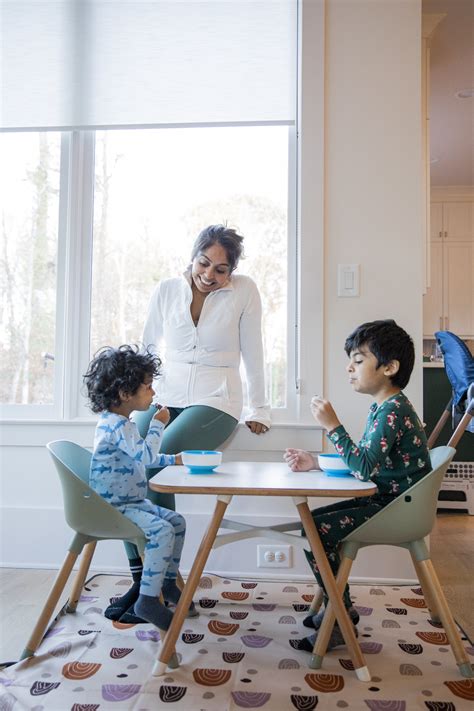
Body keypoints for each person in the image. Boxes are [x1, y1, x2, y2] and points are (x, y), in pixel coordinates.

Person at [106, 224, 271, 623]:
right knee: (123, 464)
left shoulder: (245, 291)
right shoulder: (167, 290)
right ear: (193, 256)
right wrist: (128, 400)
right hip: (165, 395)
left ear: (232, 271)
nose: (209, 275)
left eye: (221, 269)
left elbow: (254, 351)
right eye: (203, 263)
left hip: (217, 399)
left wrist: (260, 408)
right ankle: (144, 579)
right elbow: (147, 348)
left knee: (156, 455)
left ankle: (163, 582)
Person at [283, 319, 431, 652]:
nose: (349, 368)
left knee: (314, 530)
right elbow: (364, 461)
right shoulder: (385, 408)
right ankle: (340, 609)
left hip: (394, 509)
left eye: (359, 360)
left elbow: (363, 468)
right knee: (311, 526)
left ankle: (339, 617)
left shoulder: (392, 411)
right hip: (388, 503)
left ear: (389, 367)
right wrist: (316, 462)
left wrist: (333, 425)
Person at [84, 344, 196, 630]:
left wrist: (175, 459)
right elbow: (145, 456)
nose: (153, 392)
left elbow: (141, 456)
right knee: (162, 530)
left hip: (130, 502)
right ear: (125, 393)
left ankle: (167, 583)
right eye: (148, 386)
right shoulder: (117, 426)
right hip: (114, 508)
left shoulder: (121, 423)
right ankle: (147, 600)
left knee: (177, 522)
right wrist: (158, 425)